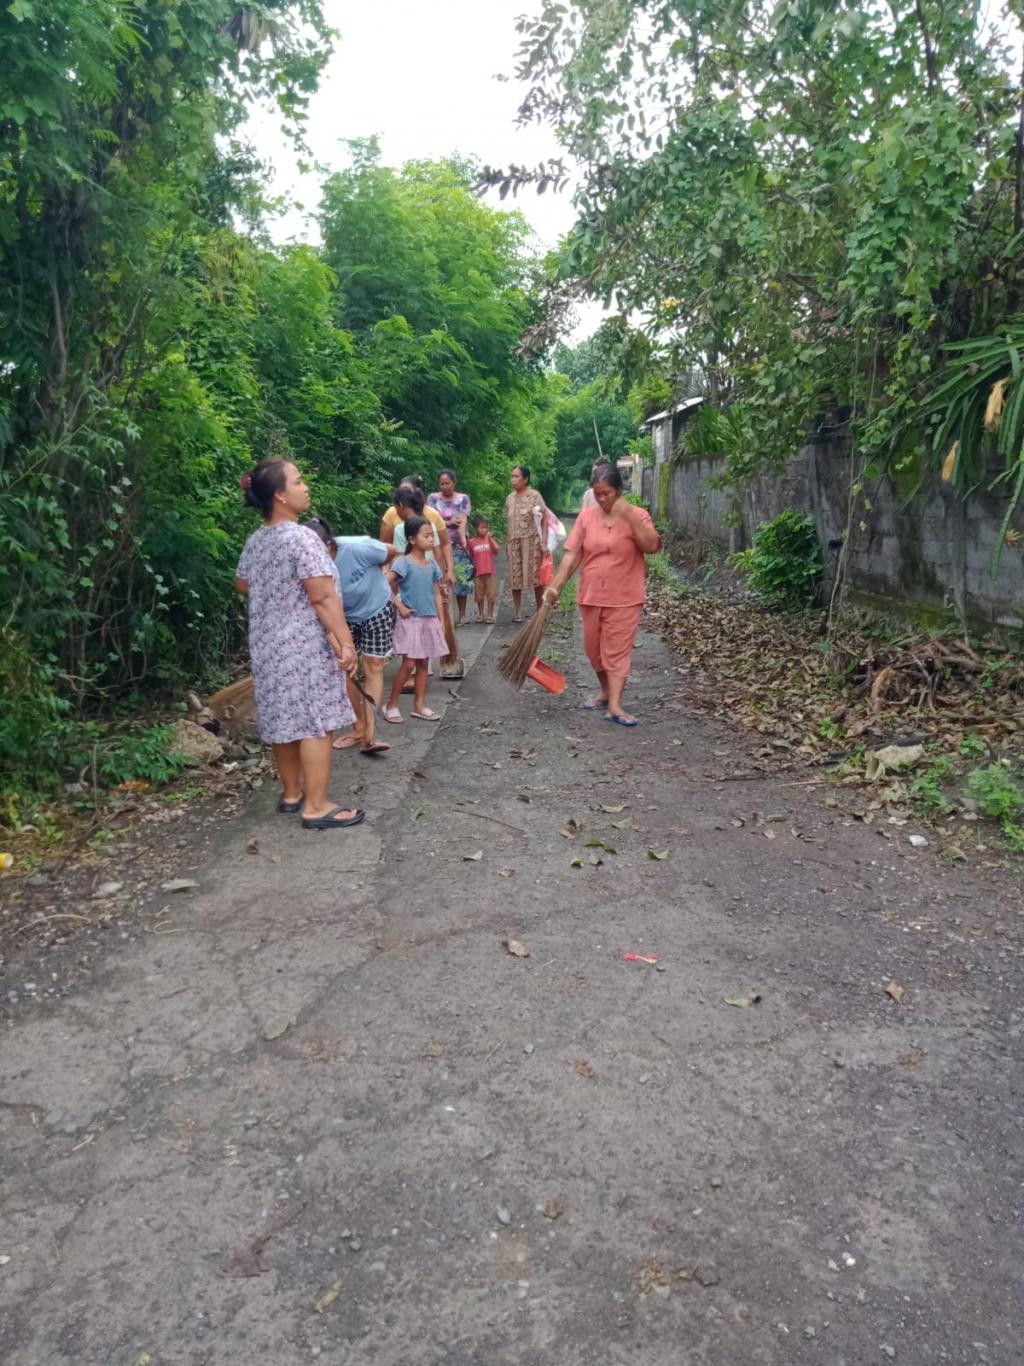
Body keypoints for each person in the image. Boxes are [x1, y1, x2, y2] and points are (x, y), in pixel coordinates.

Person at [235, 460, 365, 829]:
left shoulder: (256, 539)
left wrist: (276, 590)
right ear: (279, 495)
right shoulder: (302, 538)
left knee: (284, 719)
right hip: (304, 647)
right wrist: (346, 644)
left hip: (268, 646)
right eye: (298, 481)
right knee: (315, 723)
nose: (305, 487)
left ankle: (292, 794)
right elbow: (322, 596)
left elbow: (242, 583)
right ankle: (316, 806)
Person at [543, 462, 661, 727]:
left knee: (616, 652)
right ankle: (606, 692)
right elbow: (572, 555)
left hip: (625, 597)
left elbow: (651, 545)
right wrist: (555, 586)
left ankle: (615, 705)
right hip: (591, 595)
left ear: (619, 490)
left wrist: (629, 515)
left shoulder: (638, 515)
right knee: (593, 651)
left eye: (606, 493)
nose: (602, 499)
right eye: (597, 494)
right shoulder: (587, 518)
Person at [302, 516, 399, 758]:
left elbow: (391, 550)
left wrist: (381, 571)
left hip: (377, 607)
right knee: (346, 669)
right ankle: (358, 727)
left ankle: (370, 735)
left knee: (374, 665)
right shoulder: (305, 565)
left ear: (328, 546)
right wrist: (337, 643)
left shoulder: (359, 547)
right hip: (341, 617)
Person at [383, 516, 448, 723]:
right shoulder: (403, 563)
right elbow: (383, 584)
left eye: (431, 535)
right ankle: (391, 704)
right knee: (409, 663)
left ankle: (419, 706)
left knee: (423, 664)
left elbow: (436, 593)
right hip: (410, 620)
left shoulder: (432, 564)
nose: (431, 539)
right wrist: (399, 605)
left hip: (429, 620)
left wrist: (441, 620)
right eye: (426, 536)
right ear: (412, 539)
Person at [379, 476, 451, 581]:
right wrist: (442, 582)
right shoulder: (430, 524)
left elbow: (398, 561)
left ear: (400, 505)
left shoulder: (401, 528)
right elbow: (438, 555)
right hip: (428, 575)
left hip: (408, 578)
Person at [504, 464, 549, 622]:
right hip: (513, 542)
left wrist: (544, 543)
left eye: (516, 476)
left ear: (525, 479)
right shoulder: (510, 498)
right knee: (514, 578)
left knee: (536, 578)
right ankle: (517, 613)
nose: (513, 479)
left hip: (532, 542)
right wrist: (507, 543)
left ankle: (539, 610)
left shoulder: (535, 496)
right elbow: (508, 522)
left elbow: (545, 519)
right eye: (512, 476)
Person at [428, 469, 473, 624]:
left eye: (447, 483)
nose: (445, 486)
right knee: (439, 578)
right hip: (436, 544)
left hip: (457, 543)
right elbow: (430, 521)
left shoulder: (463, 499)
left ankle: (462, 614)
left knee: (460, 578)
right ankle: (443, 614)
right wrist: (448, 523)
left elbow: (462, 520)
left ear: (453, 483)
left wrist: (463, 540)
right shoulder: (432, 499)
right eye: (442, 483)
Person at [467, 515, 500, 623]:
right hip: (478, 574)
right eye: (482, 527)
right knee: (479, 596)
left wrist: (490, 539)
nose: (485, 530)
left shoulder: (489, 540)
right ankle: (480, 614)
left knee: (491, 595)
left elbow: (496, 550)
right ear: (476, 528)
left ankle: (490, 615)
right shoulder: (471, 542)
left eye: (486, 527)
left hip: (490, 572)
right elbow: (470, 556)